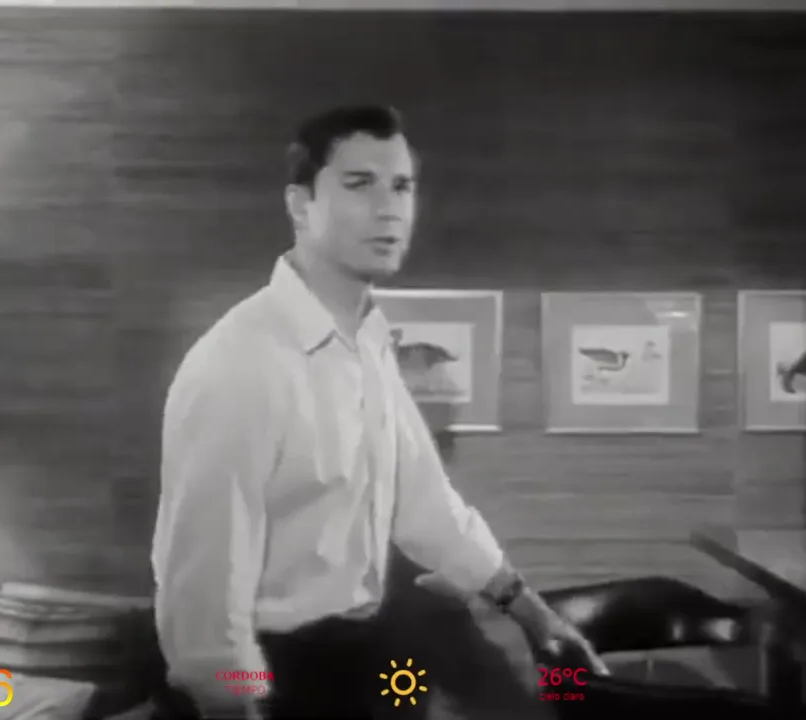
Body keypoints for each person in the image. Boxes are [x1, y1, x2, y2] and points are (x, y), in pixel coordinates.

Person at [151, 105, 609, 720]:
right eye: (359, 184)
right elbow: (204, 603)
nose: (388, 208)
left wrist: (533, 614)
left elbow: (425, 504)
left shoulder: (367, 343)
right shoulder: (240, 363)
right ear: (300, 204)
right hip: (266, 679)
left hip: (353, 662)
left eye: (401, 186)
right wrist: (237, 706)